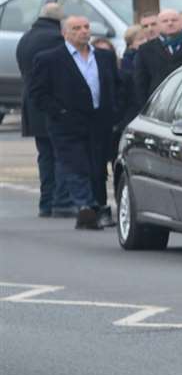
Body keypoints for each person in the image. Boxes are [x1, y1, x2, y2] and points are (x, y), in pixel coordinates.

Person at [28, 15, 119, 229]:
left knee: (97, 167)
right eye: (76, 28)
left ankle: (97, 207)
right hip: (66, 123)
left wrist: (114, 111)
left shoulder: (104, 57)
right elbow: (38, 93)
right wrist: (59, 111)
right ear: (65, 33)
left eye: (86, 27)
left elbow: (116, 84)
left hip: (99, 121)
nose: (83, 31)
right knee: (76, 165)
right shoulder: (50, 59)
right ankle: (85, 206)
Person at [15, 2, 66, 218]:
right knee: (60, 154)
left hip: (31, 104)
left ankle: (46, 202)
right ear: (60, 20)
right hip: (51, 104)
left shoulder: (26, 38)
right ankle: (59, 200)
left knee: (45, 155)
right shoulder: (55, 39)